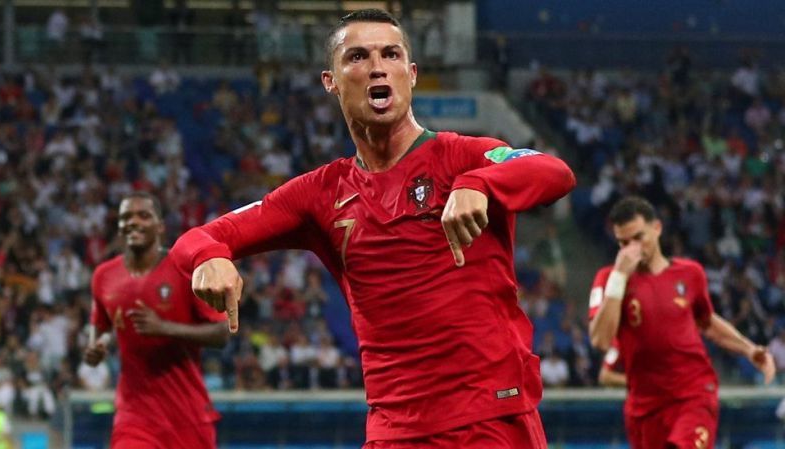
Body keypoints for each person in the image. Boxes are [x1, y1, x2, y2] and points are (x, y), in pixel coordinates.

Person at [171, 8, 575, 448]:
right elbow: (199, 238)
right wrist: (207, 257)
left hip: (490, 420)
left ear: (411, 73)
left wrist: (478, 182)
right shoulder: (319, 194)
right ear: (331, 80)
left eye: (391, 54)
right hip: (393, 431)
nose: (378, 67)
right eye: (359, 57)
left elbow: (553, 172)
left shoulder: (462, 156)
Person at [588, 196, 775, 449]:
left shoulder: (690, 274)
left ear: (657, 228)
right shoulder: (609, 279)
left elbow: (707, 322)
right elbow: (600, 339)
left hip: (693, 394)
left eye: (638, 238)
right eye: (624, 243)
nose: (632, 249)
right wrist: (620, 276)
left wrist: (749, 349)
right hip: (645, 407)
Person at [84, 192, 229, 449]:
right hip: (134, 417)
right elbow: (101, 325)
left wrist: (164, 328)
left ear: (160, 225)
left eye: (143, 215)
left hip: (188, 416)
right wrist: (97, 346)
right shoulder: (104, 276)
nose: (133, 222)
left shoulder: (185, 270)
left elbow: (222, 333)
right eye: (126, 217)